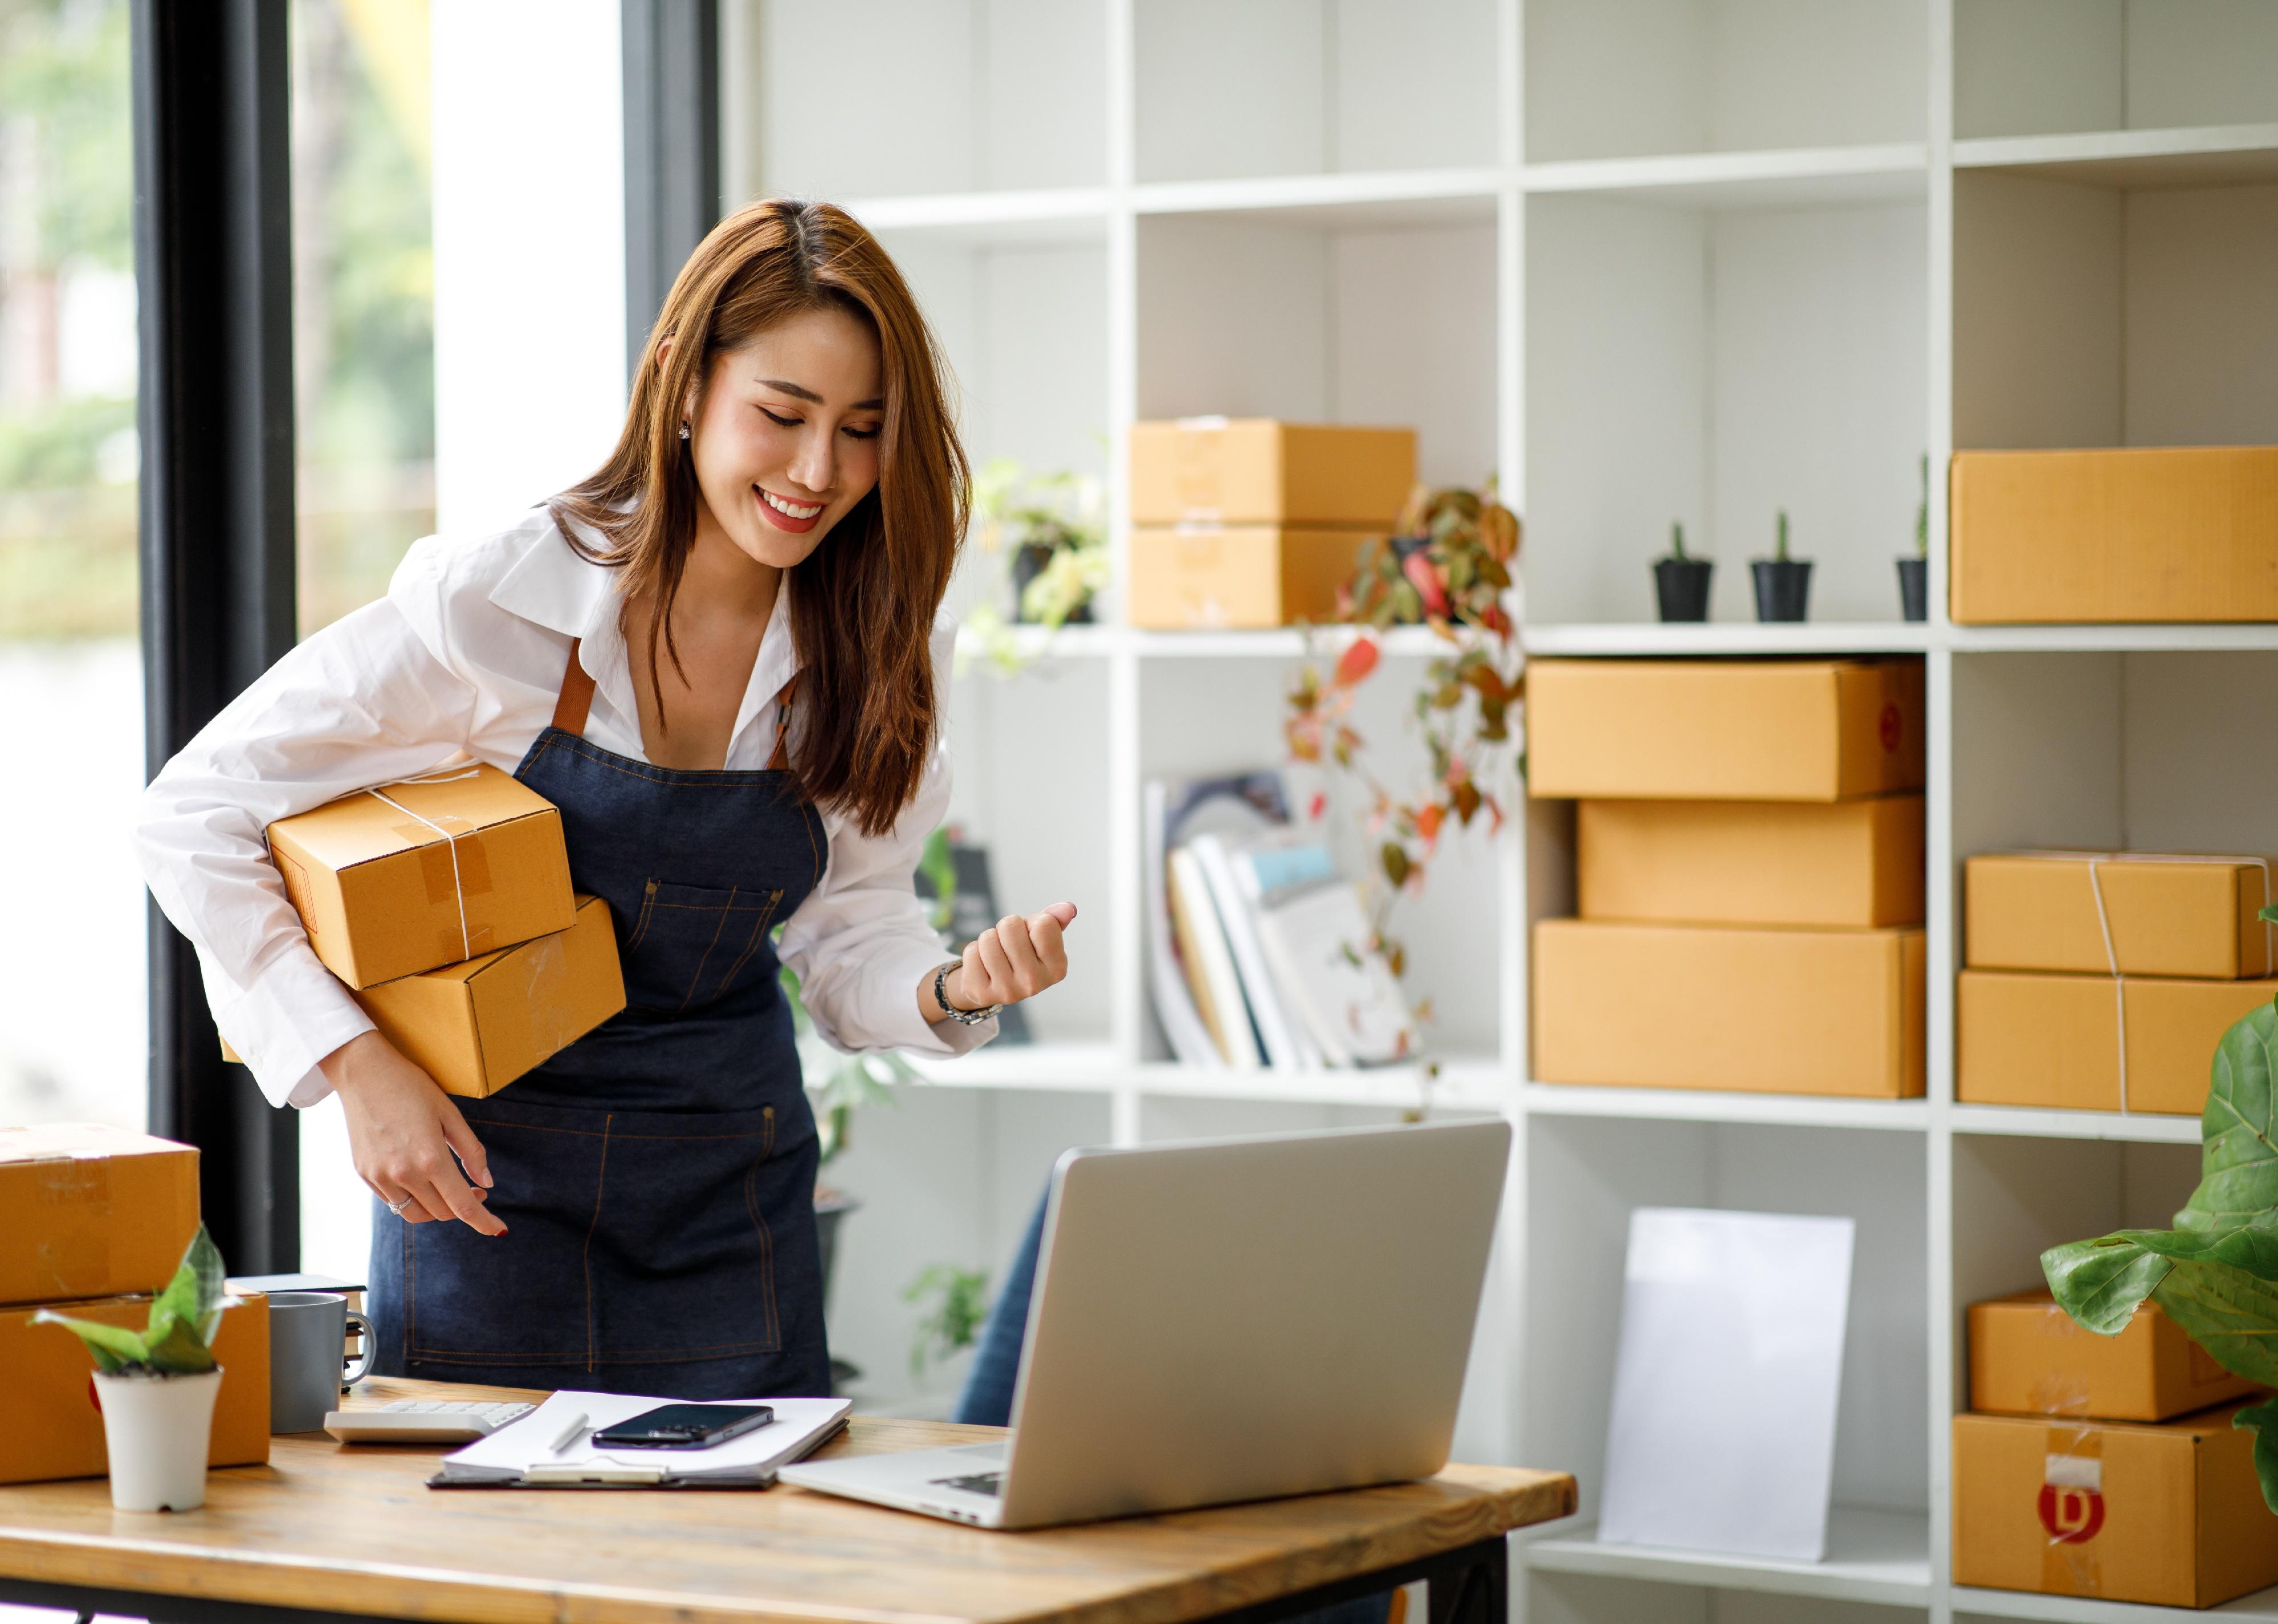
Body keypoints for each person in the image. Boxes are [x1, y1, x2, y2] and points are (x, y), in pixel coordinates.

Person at [136, 198, 1074, 1401]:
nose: (817, 471)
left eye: (862, 430)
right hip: (487, 1206)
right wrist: (358, 1066)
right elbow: (194, 813)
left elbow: (851, 932)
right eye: (781, 417)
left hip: (733, 1214)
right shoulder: (508, 609)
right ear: (687, 390)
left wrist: (949, 988)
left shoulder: (876, 650)